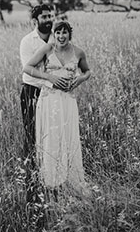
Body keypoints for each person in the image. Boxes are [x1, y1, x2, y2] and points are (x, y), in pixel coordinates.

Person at [23, 21, 91, 193]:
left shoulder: (78, 52)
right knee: (52, 136)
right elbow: (27, 67)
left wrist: (81, 79)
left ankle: (70, 180)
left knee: (68, 136)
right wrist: (49, 77)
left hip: (68, 100)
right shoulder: (47, 49)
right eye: (58, 33)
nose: (61, 36)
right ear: (54, 34)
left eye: (64, 32)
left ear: (70, 34)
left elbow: (87, 71)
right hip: (49, 99)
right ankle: (51, 180)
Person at [19, 5, 71, 198]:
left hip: (54, 94)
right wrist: (50, 79)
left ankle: (55, 179)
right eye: (44, 17)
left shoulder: (58, 37)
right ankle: (33, 182)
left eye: (51, 16)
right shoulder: (27, 41)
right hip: (32, 92)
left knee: (55, 135)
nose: (49, 19)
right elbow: (28, 70)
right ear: (35, 21)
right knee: (33, 136)